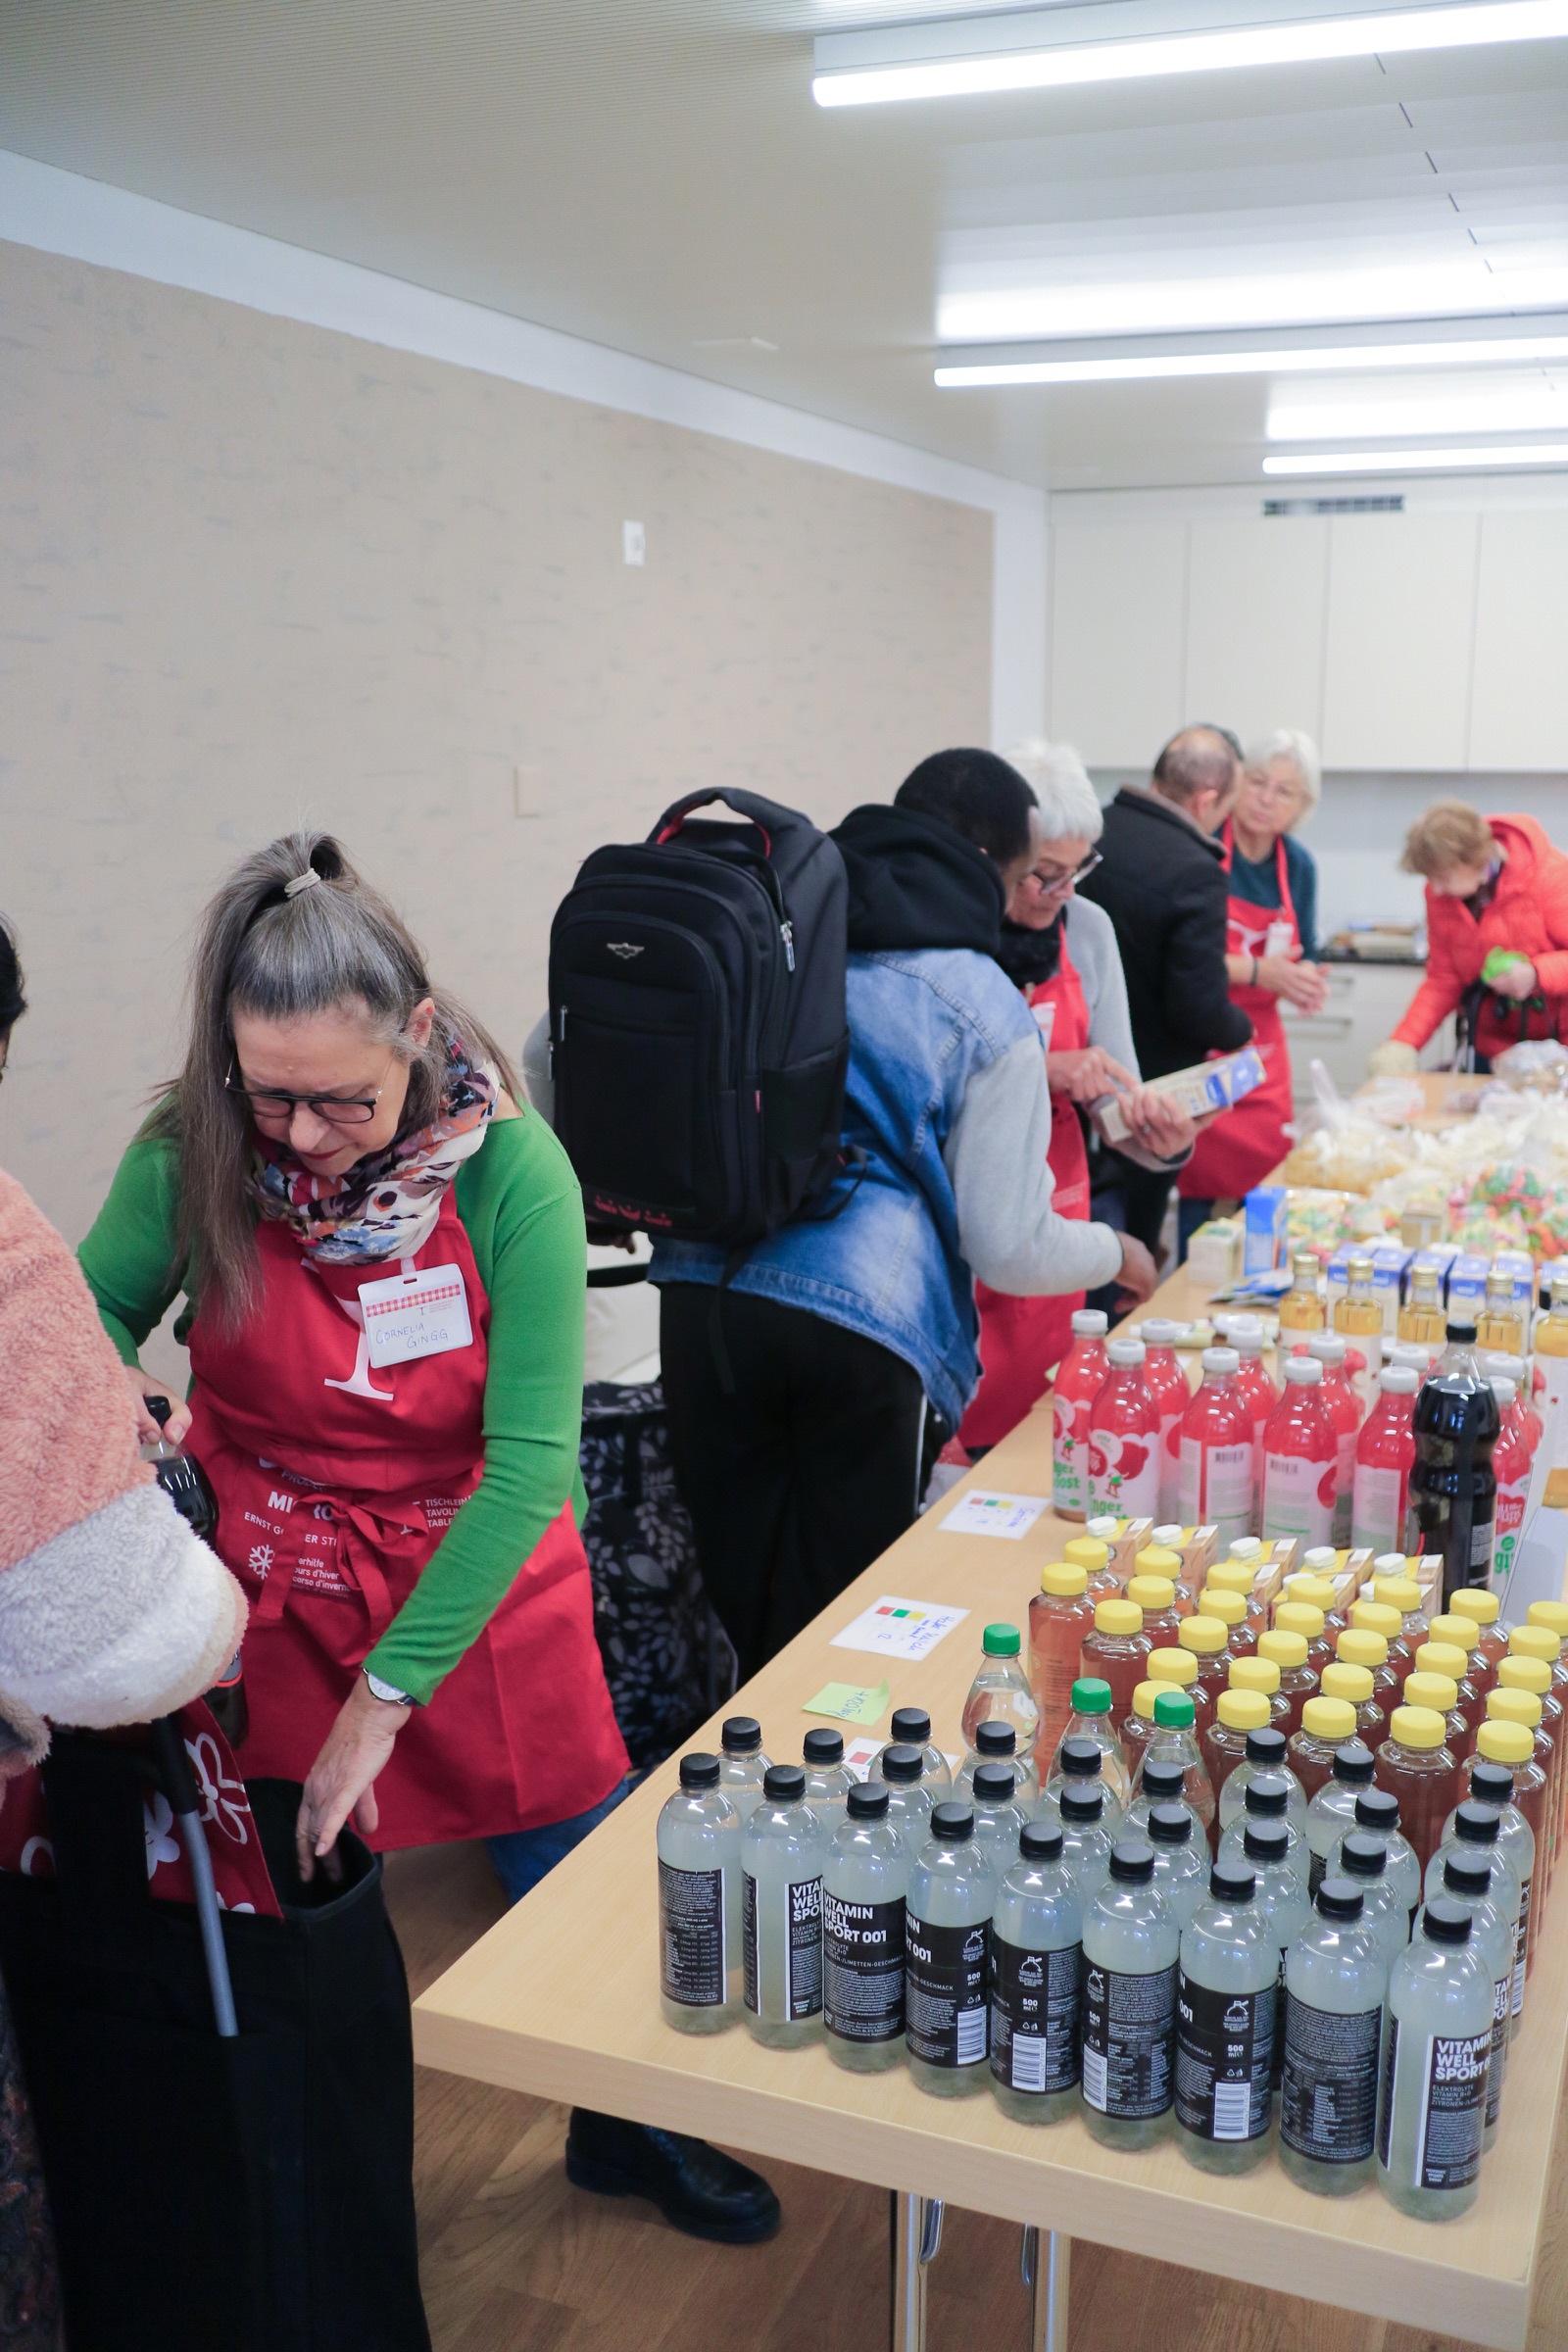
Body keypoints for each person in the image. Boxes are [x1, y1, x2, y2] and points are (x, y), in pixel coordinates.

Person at [76, 832, 777, 2246]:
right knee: (280, 1889)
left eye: (340, 1100)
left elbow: (528, 1471)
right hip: (267, 1558)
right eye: (269, 1095)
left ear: (416, 1033)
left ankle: (625, 2122)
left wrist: (380, 1705)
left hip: (477, 1549)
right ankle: (297, 2168)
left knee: (577, 1872)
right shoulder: (191, 1147)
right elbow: (90, 1310)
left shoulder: (514, 1175)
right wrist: (130, 1394)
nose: (299, 1137)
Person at [647, 750, 1158, 1682]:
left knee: (743, 1606)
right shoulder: (980, 1000)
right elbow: (1006, 1245)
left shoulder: (767, 926)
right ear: (994, 866)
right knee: (849, 1618)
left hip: (700, 1298)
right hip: (861, 1323)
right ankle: (831, 1766)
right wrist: (1117, 1250)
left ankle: (747, 1760)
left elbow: (557, 1051)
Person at [958, 742, 1197, 1449]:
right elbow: (931, 1092)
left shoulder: (1088, 931)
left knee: (1042, 1438)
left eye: (1078, 870)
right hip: (963, 1239)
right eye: (1043, 874)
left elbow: (1116, 1100)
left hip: (1057, 1224)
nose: (1061, 892)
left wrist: (1160, 1138)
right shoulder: (950, 939)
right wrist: (1044, 1069)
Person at [1078, 725, 1254, 1260]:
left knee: (1076, 1230)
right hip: (1148, 1094)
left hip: (1074, 1073)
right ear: (1205, 801)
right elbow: (1197, 1008)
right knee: (1131, 1244)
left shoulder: (1095, 831)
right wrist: (1243, 1031)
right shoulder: (1194, 869)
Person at [1176, 728, 1329, 1250]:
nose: (1266, 799)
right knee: (1199, 1188)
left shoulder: (1298, 866)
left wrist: (1305, 979)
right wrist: (1261, 971)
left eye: (1284, 791)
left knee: (1267, 1187)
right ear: (1237, 783)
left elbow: (1304, 949)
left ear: (1301, 806)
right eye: (1259, 782)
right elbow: (1183, 960)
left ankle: (1261, 1282)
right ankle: (1191, 1281)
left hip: (1262, 1052)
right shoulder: (1202, 850)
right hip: (1203, 1040)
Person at [1368, 801, 1568, 1076]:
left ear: (1473, 860)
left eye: (1442, 877)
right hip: (1492, 1053)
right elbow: (1443, 979)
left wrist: (1536, 974)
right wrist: (1403, 1044)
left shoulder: (1551, 876)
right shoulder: (1440, 896)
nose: (1435, 889)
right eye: (1429, 878)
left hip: (1558, 1055)